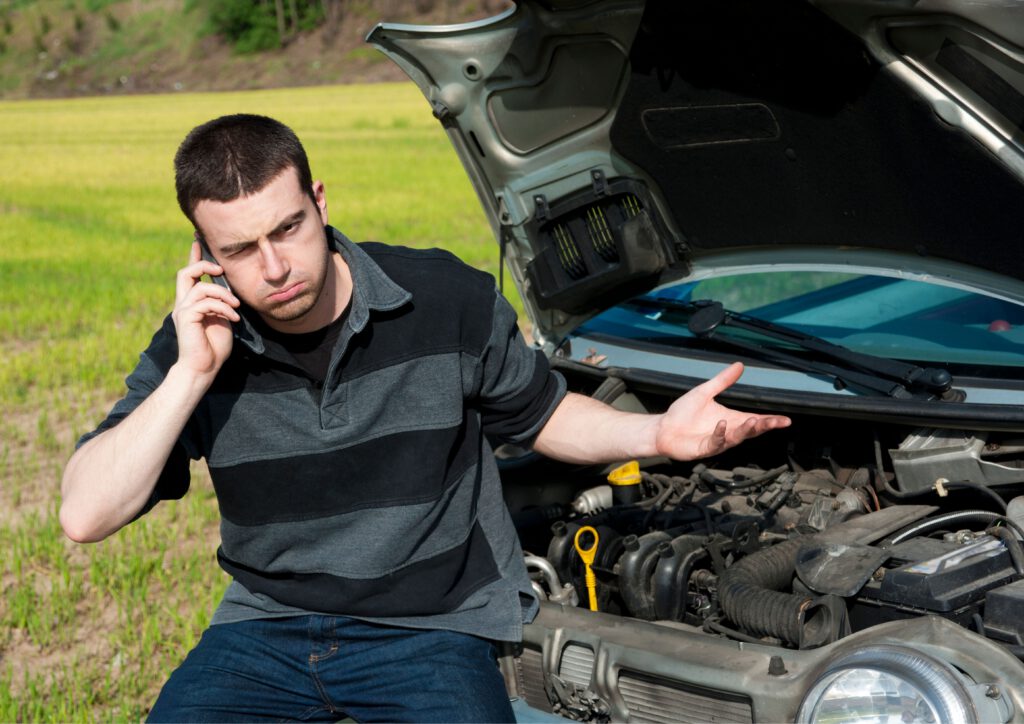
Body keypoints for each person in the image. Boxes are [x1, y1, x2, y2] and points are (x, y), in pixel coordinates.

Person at [60, 114, 790, 722]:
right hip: (265, 626)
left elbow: (541, 417)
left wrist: (656, 435)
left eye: (288, 229)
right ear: (202, 254)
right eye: (240, 250)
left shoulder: (441, 297)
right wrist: (192, 373)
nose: (275, 268)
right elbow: (85, 515)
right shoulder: (199, 342)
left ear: (318, 200)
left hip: (431, 628)